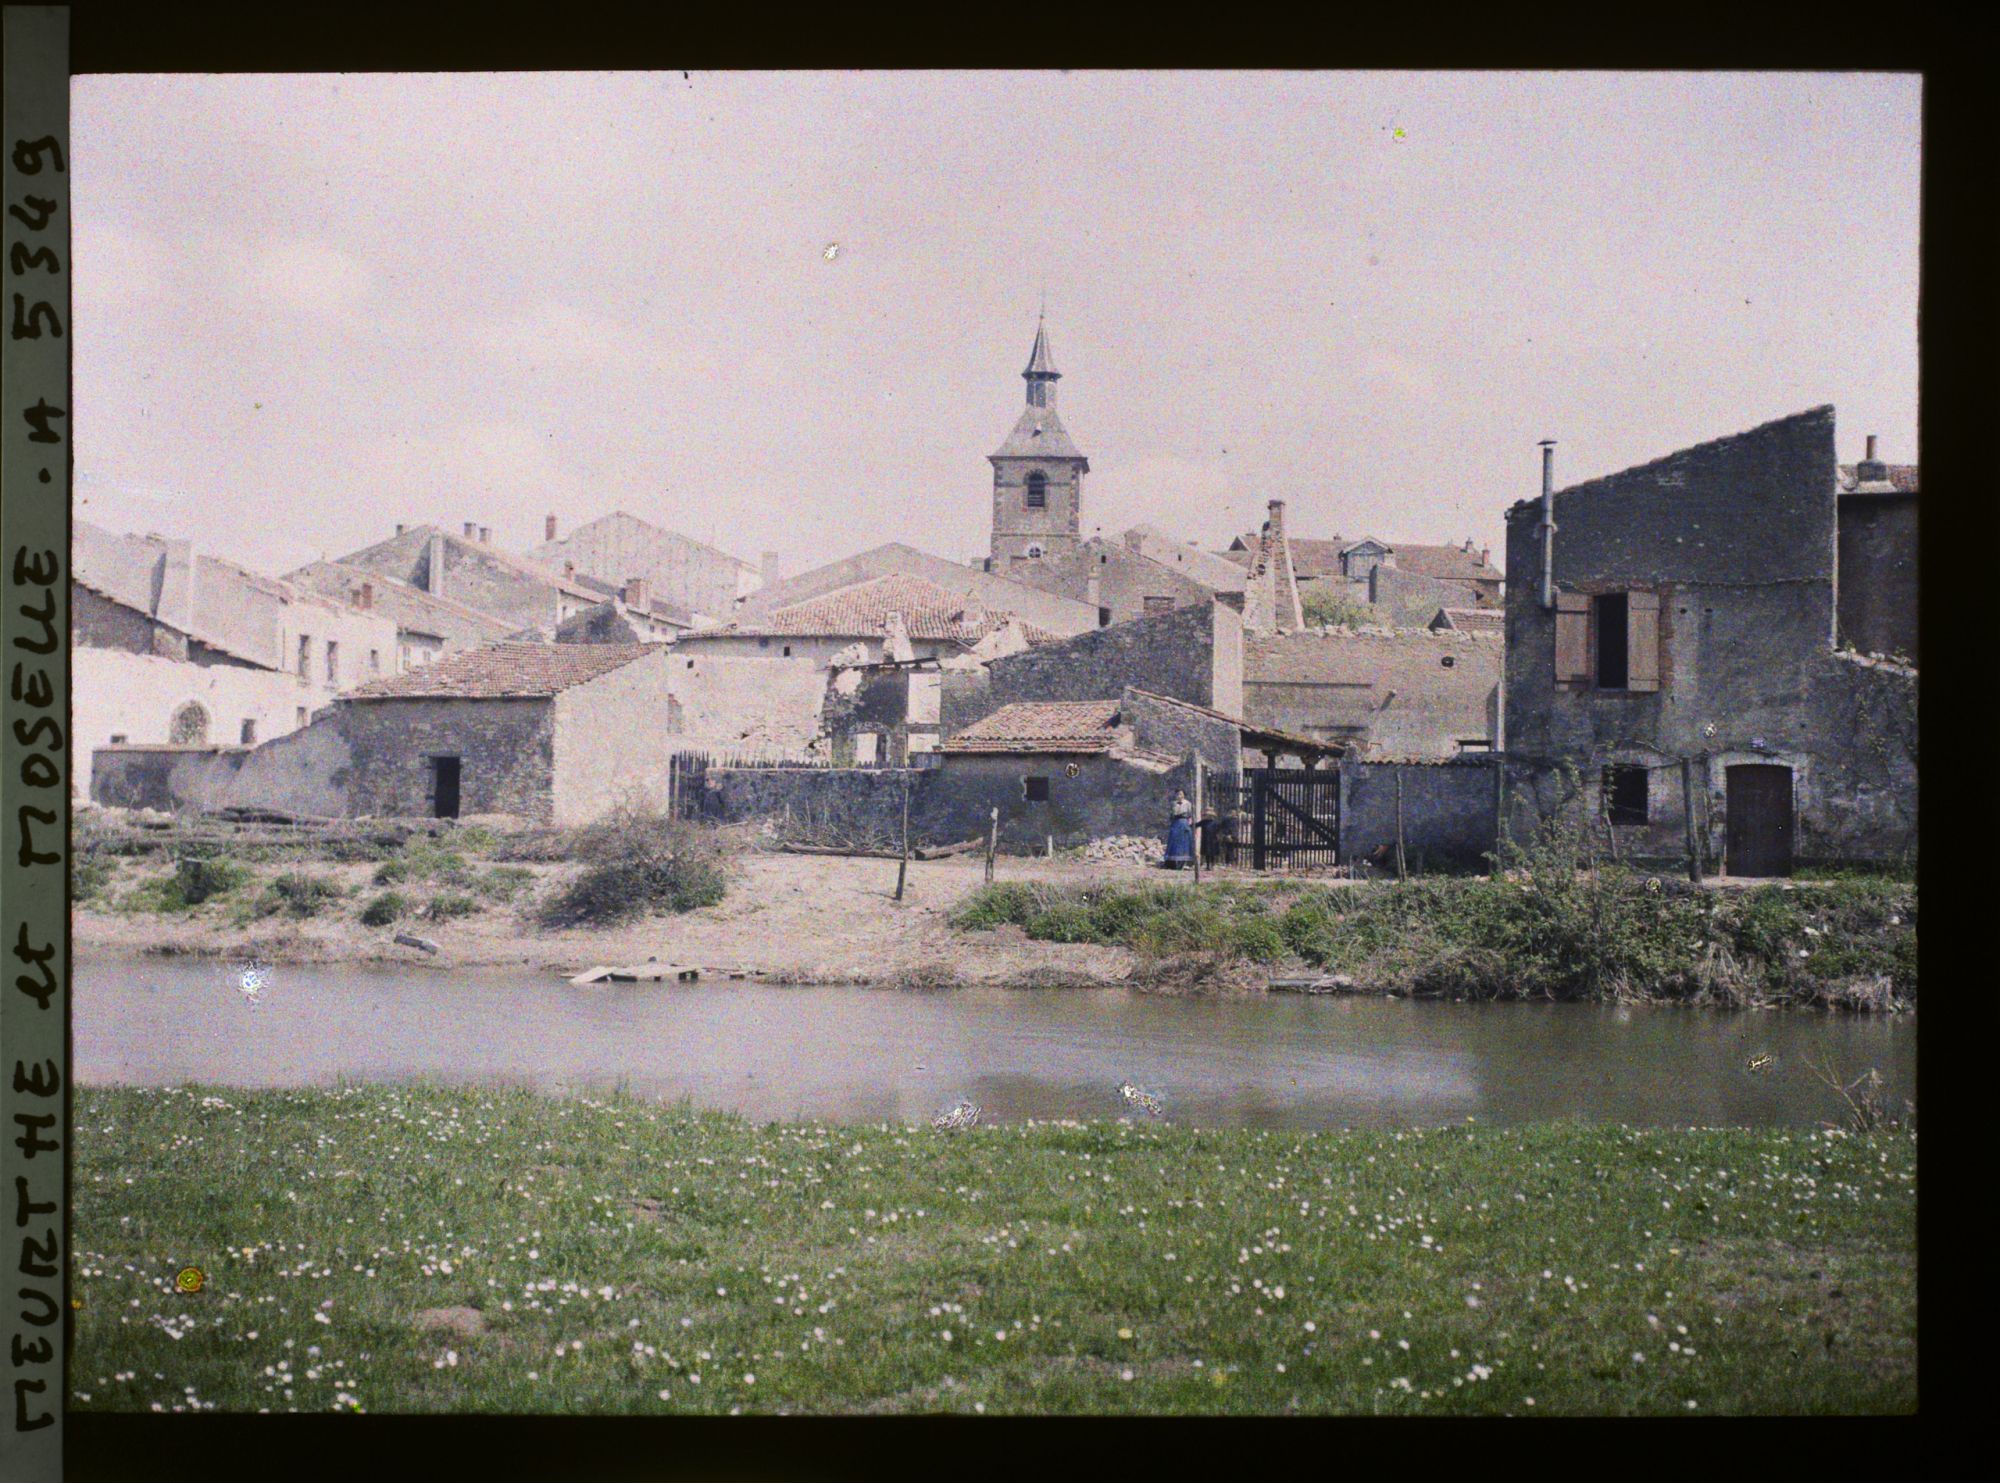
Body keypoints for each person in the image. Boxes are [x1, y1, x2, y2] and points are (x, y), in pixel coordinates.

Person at [1165, 788, 1194, 869]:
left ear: (1184, 795)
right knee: (1174, 842)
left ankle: (1183, 863)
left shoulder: (1188, 803)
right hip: (1175, 823)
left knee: (1183, 843)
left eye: (1181, 794)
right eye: (1177, 794)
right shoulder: (1173, 803)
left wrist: (1188, 825)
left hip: (1183, 823)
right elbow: (1171, 814)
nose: (1179, 796)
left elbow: (1190, 815)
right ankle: (1172, 862)